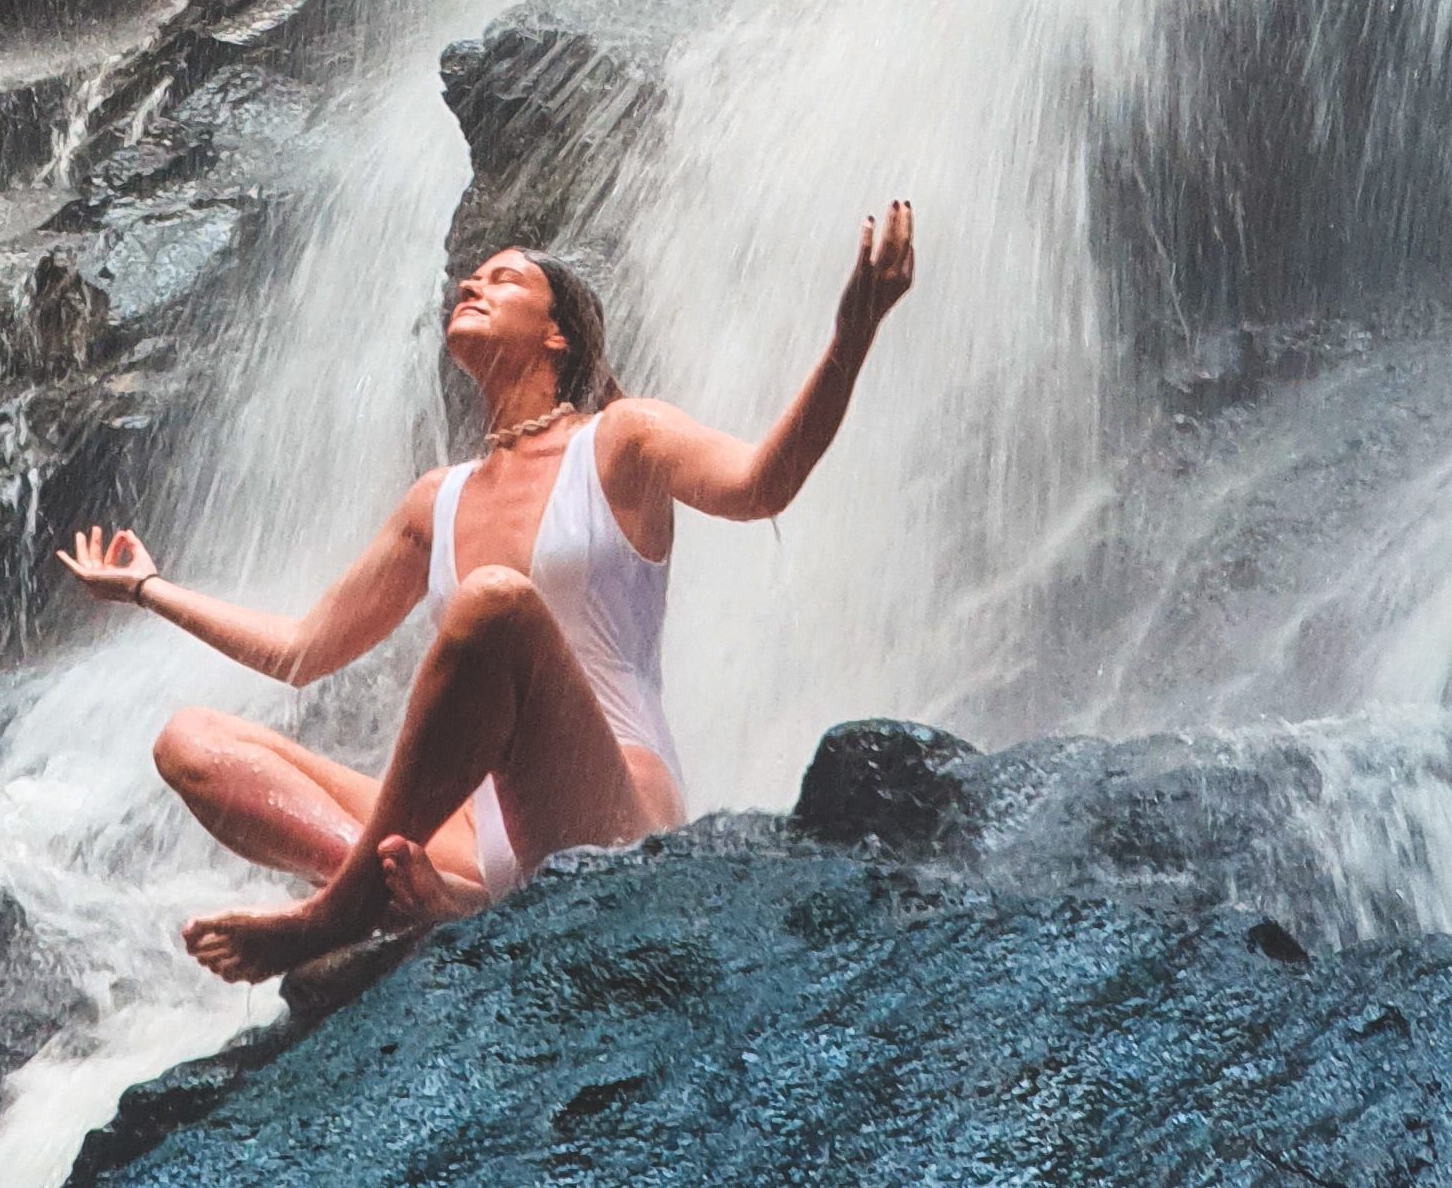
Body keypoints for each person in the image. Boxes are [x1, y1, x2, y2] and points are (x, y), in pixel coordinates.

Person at [57, 202, 916, 982]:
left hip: (610, 812)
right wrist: (149, 589)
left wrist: (851, 338)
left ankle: (339, 908)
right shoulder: (438, 499)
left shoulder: (621, 440)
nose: (472, 281)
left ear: (557, 338)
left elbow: (761, 484)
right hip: (477, 839)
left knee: (496, 605)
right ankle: (418, 901)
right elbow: (299, 651)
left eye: (504, 278)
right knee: (190, 739)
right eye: (473, 276)